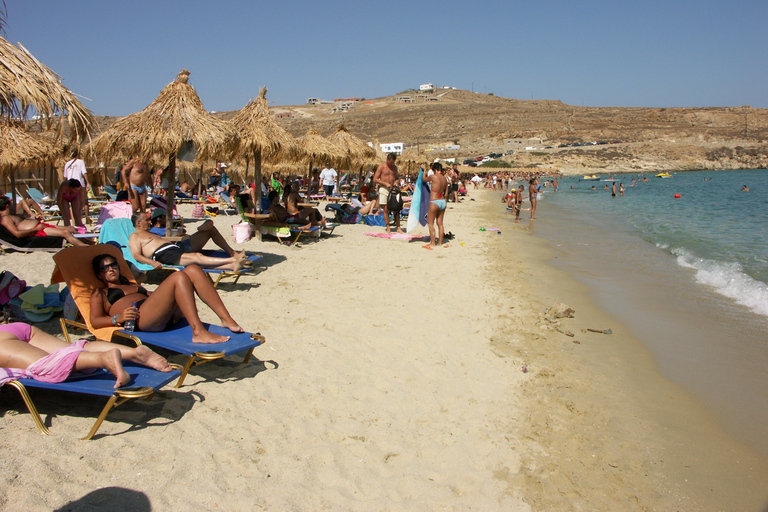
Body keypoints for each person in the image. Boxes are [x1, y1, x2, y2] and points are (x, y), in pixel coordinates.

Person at [90, 253, 242, 344]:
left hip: (161, 314)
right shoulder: (100, 293)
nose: (110, 269)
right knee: (178, 276)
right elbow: (94, 321)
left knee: (194, 269)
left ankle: (226, 318)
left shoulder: (131, 284)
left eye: (113, 265)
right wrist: (118, 318)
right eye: (104, 268)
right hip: (142, 320)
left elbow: (154, 299)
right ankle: (198, 333)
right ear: (98, 275)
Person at [0, 322, 172, 389]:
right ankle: (134, 353)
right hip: (14, 329)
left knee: (47, 366)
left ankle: (103, 359)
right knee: (71, 349)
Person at [128, 212, 245, 271]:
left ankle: (232, 265)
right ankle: (233, 259)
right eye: (146, 220)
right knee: (196, 256)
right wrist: (152, 263)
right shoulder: (135, 236)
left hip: (173, 248)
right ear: (138, 223)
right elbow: (136, 255)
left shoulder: (149, 233)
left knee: (194, 260)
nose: (149, 222)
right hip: (162, 254)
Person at [0, 195, 88, 246]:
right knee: (65, 232)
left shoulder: (10, 215)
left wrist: (34, 219)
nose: (13, 206)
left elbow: (21, 222)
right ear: (7, 206)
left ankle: (92, 243)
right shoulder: (5, 219)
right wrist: (36, 229)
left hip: (41, 226)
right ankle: (85, 248)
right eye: (11, 204)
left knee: (71, 229)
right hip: (37, 230)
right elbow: (17, 234)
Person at [149, 208, 238, 257]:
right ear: (159, 219)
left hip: (182, 244)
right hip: (181, 248)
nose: (168, 219)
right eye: (165, 217)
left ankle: (203, 226)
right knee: (211, 229)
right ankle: (231, 252)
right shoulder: (156, 231)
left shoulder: (163, 228)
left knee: (209, 224)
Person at [373, 153, 403, 234]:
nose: (392, 164)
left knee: (396, 208)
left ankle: (398, 227)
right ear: (387, 160)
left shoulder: (394, 168)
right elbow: (375, 179)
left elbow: (397, 178)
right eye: (391, 162)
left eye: (393, 162)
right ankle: (388, 226)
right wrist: (384, 183)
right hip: (384, 188)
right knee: (386, 209)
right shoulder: (381, 167)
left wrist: (396, 182)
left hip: (392, 189)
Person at [422, 162, 449, 249]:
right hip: (442, 202)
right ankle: (440, 243)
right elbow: (446, 194)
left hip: (434, 201)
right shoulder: (445, 179)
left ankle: (433, 243)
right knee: (440, 223)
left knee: (430, 223)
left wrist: (424, 170)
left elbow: (424, 179)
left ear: (436, 170)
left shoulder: (434, 177)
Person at [63, 149, 90, 222]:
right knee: (85, 202)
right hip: (80, 184)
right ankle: (87, 218)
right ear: (78, 155)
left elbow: (65, 177)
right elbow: (84, 172)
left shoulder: (67, 164)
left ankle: (74, 220)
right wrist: (87, 182)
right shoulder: (81, 162)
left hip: (70, 185)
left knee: (73, 203)